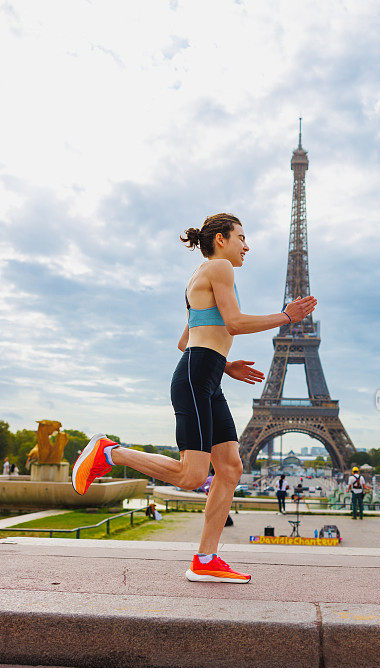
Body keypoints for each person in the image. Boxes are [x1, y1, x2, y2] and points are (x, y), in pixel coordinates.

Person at [71, 212, 316, 583]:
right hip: (196, 376)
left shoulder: (201, 277)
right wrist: (285, 316)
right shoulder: (220, 268)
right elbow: (232, 323)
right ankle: (109, 451)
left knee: (231, 468)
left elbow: (186, 340)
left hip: (206, 373)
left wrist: (226, 363)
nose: (246, 246)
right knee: (192, 475)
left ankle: (206, 558)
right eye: (241, 238)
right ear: (220, 239)